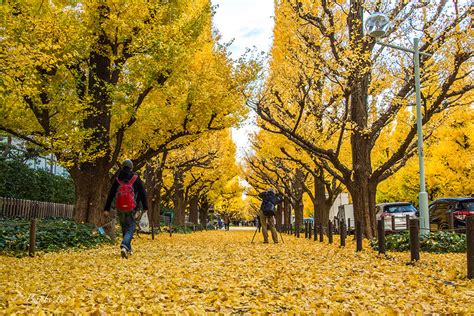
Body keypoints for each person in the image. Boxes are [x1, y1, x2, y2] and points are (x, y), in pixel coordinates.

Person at [103, 159, 148, 258]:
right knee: (131, 228)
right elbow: (142, 193)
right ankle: (124, 245)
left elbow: (110, 194)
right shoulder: (135, 178)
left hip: (120, 208)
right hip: (131, 207)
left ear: (122, 167)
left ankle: (128, 248)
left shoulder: (118, 179)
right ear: (131, 167)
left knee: (124, 228)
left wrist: (106, 208)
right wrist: (145, 207)